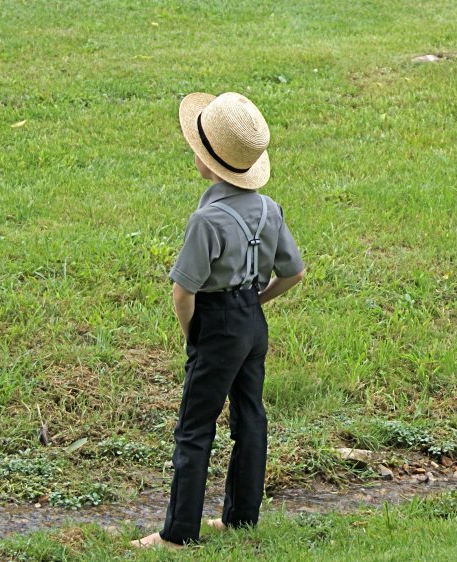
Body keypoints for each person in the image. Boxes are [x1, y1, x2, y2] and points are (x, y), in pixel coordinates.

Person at [133, 92, 306, 548]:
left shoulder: (207, 219)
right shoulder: (270, 209)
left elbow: (183, 290)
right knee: (250, 419)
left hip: (216, 323)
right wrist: (256, 303)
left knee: (195, 427)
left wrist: (196, 335)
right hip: (252, 320)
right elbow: (295, 272)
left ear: (208, 161)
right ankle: (240, 518)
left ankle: (177, 534)